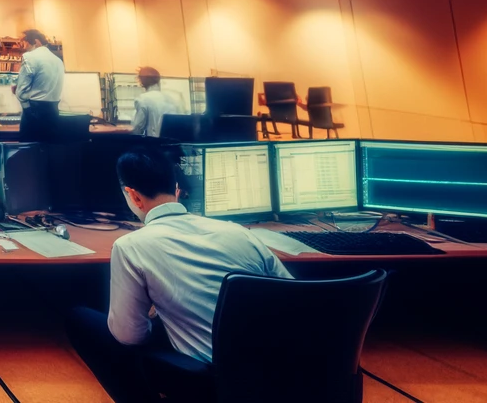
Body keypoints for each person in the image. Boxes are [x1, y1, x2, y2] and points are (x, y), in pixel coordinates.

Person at [65, 146, 292, 403]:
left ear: (133, 196)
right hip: (280, 368)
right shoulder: (238, 232)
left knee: (80, 318)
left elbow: (129, 336)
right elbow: (293, 294)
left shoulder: (131, 246)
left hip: (212, 379)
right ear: (176, 189)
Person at [15, 28, 65, 138]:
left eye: (24, 42)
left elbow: (21, 91)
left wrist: (27, 109)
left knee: (29, 150)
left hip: (34, 110)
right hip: (53, 112)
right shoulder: (58, 61)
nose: (24, 47)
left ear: (36, 42)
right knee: (49, 149)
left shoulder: (30, 57)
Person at [130, 66, 189, 138]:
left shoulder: (142, 99)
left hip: (155, 145)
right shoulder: (172, 99)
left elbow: (137, 128)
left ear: (141, 82)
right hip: (173, 144)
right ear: (158, 80)